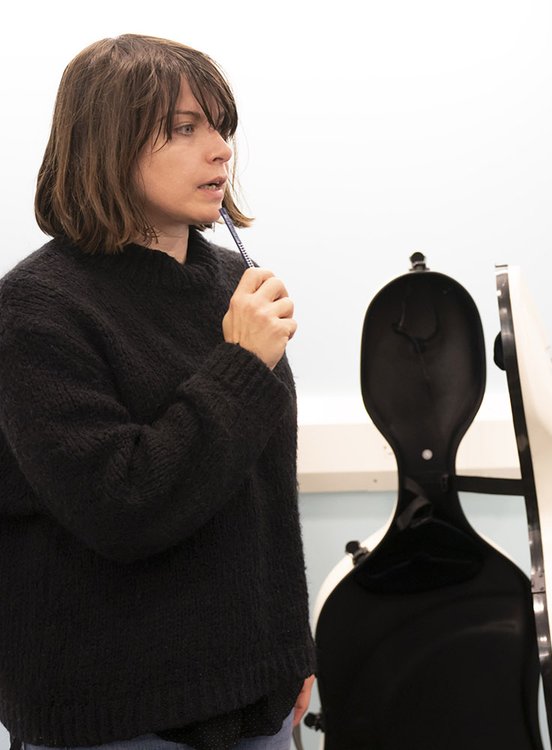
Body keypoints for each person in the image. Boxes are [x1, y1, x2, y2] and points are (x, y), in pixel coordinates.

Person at [0, 35, 314, 749]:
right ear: (106, 144)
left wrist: (290, 651)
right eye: (184, 127)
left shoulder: (228, 288)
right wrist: (238, 365)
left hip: (254, 705)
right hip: (114, 716)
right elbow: (123, 504)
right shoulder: (35, 311)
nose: (220, 150)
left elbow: (262, 494)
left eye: (221, 126)